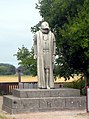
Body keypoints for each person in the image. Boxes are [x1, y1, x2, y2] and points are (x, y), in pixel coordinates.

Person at [33, 21, 56, 89]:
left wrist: (54, 54)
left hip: (49, 53)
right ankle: (42, 84)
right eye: (44, 29)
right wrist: (35, 53)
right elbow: (35, 44)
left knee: (48, 69)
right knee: (41, 69)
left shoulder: (51, 35)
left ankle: (48, 84)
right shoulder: (37, 34)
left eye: (47, 29)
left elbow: (54, 45)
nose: (46, 30)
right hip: (41, 53)